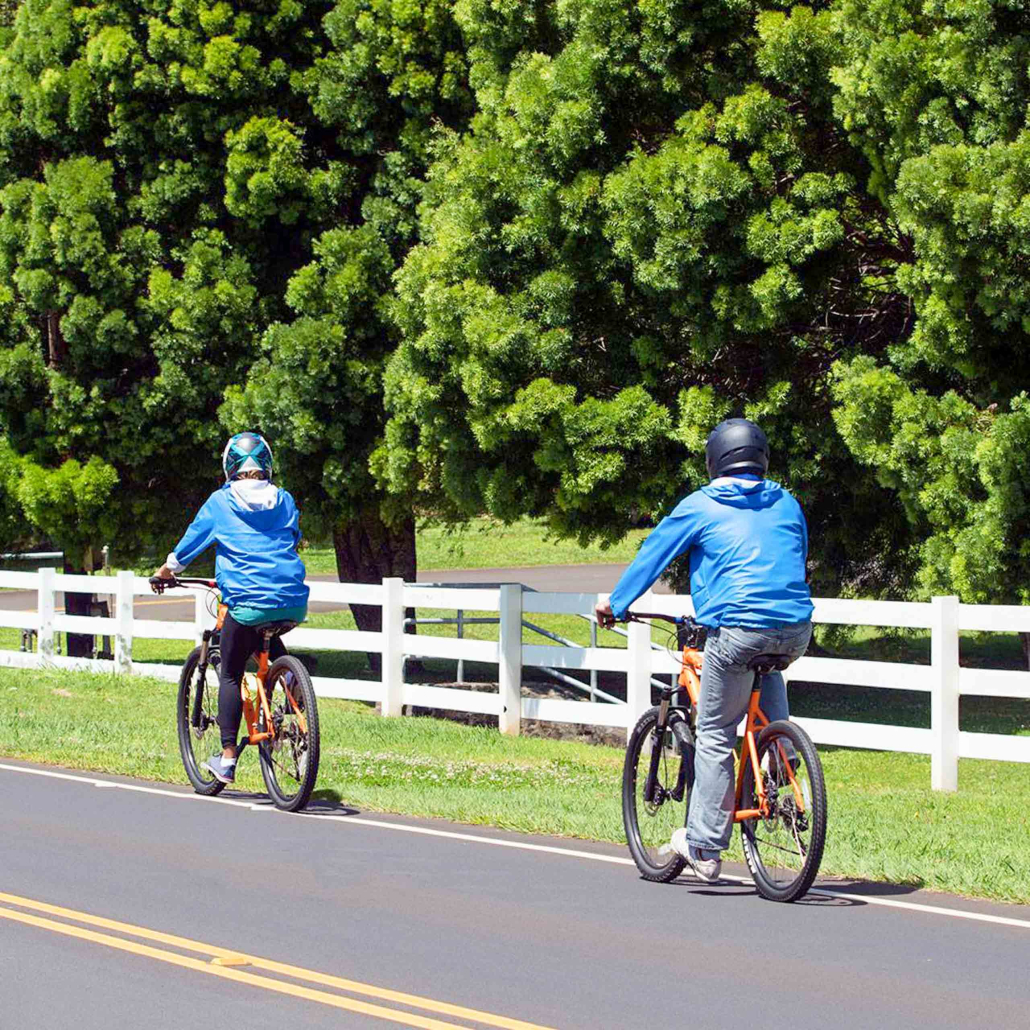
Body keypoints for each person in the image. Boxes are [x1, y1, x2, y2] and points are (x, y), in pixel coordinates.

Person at [595, 418, 813, 884]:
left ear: (715, 460)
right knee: (764, 675)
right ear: (762, 458)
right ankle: (779, 763)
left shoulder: (702, 505)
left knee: (715, 731)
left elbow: (654, 553)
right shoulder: (787, 502)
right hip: (795, 628)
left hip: (735, 629)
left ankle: (704, 849)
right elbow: (794, 556)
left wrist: (615, 604)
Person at [153, 432, 309, 784]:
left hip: (246, 600)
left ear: (229, 466)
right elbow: (292, 537)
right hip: (292, 600)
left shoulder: (220, 503)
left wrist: (166, 572)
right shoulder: (284, 499)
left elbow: (189, 545)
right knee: (267, 644)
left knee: (230, 673)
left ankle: (225, 759)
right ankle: (301, 714)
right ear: (267, 464)